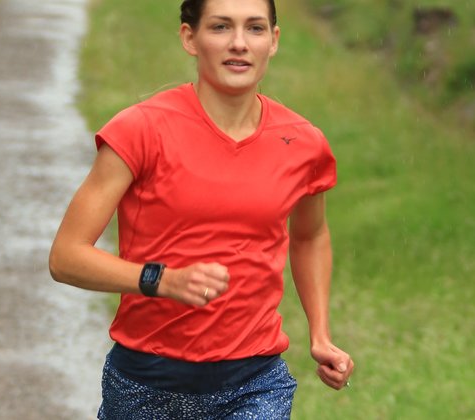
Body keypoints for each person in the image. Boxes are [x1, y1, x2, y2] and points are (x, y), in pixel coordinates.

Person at [49, 0, 354, 417]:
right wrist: (162, 280)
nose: (239, 43)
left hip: (255, 380)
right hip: (147, 382)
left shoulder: (303, 143)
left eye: (255, 29)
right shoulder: (140, 129)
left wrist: (320, 333)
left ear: (274, 41)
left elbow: (310, 235)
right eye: (221, 27)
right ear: (190, 38)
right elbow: (66, 257)